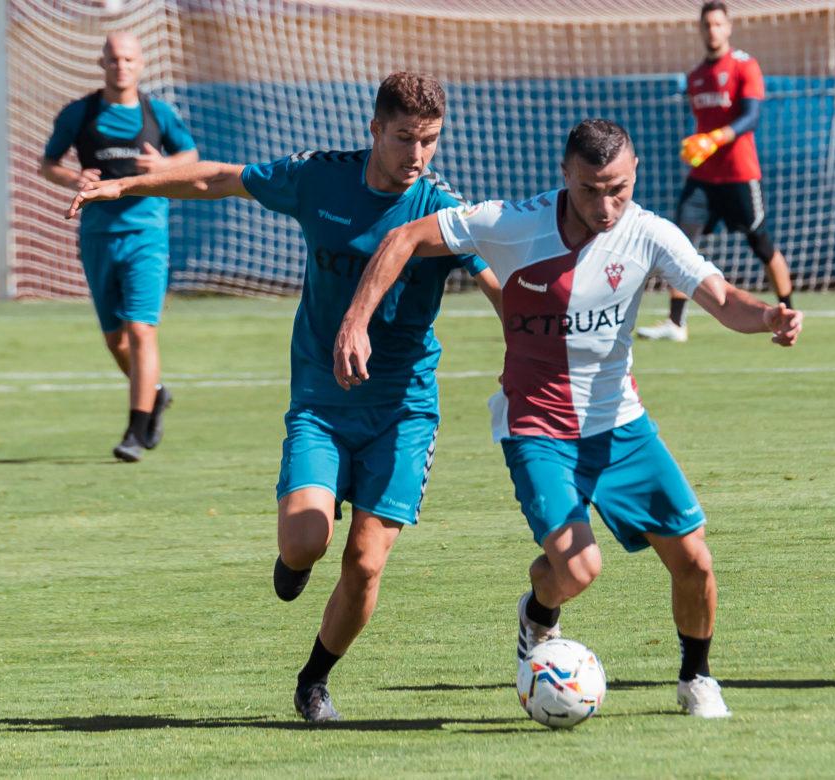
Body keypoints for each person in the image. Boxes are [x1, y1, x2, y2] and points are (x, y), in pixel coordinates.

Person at [67, 72, 501, 723]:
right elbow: (221, 179)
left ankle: (314, 681)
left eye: (430, 140)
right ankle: (295, 560)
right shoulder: (318, 178)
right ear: (375, 129)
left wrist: (540, 344)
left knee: (365, 560)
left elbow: (498, 286)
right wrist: (127, 184)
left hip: (404, 410)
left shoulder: (442, 209)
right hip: (322, 407)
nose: (417, 154)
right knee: (305, 542)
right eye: (405, 138)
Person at [335, 119, 802, 718]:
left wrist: (768, 317)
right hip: (536, 428)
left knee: (695, 560)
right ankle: (539, 611)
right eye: (590, 190)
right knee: (579, 570)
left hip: (621, 427)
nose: (606, 205)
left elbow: (722, 298)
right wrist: (356, 322)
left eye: (620, 189)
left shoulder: (650, 233)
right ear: (565, 176)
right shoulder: (513, 224)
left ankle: (696, 677)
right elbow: (402, 238)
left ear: (635, 177)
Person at [40, 32, 198, 461]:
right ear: (101, 62)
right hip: (96, 237)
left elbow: (190, 156)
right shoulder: (79, 113)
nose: (120, 66)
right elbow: (48, 163)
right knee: (115, 341)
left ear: (141, 63)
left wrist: (164, 165)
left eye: (128, 59)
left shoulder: (158, 113)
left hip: (146, 233)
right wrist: (74, 179)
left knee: (141, 329)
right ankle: (156, 394)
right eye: (113, 59)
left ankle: (136, 430)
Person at [636, 0, 793, 343]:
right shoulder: (695, 76)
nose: (713, 30)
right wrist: (697, 146)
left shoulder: (744, 66)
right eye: (707, 25)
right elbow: (703, 125)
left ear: (728, 27)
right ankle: (676, 323)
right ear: (701, 29)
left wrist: (714, 139)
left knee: (761, 243)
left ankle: (788, 311)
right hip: (703, 178)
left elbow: (751, 117)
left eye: (718, 24)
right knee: (679, 244)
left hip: (739, 174)